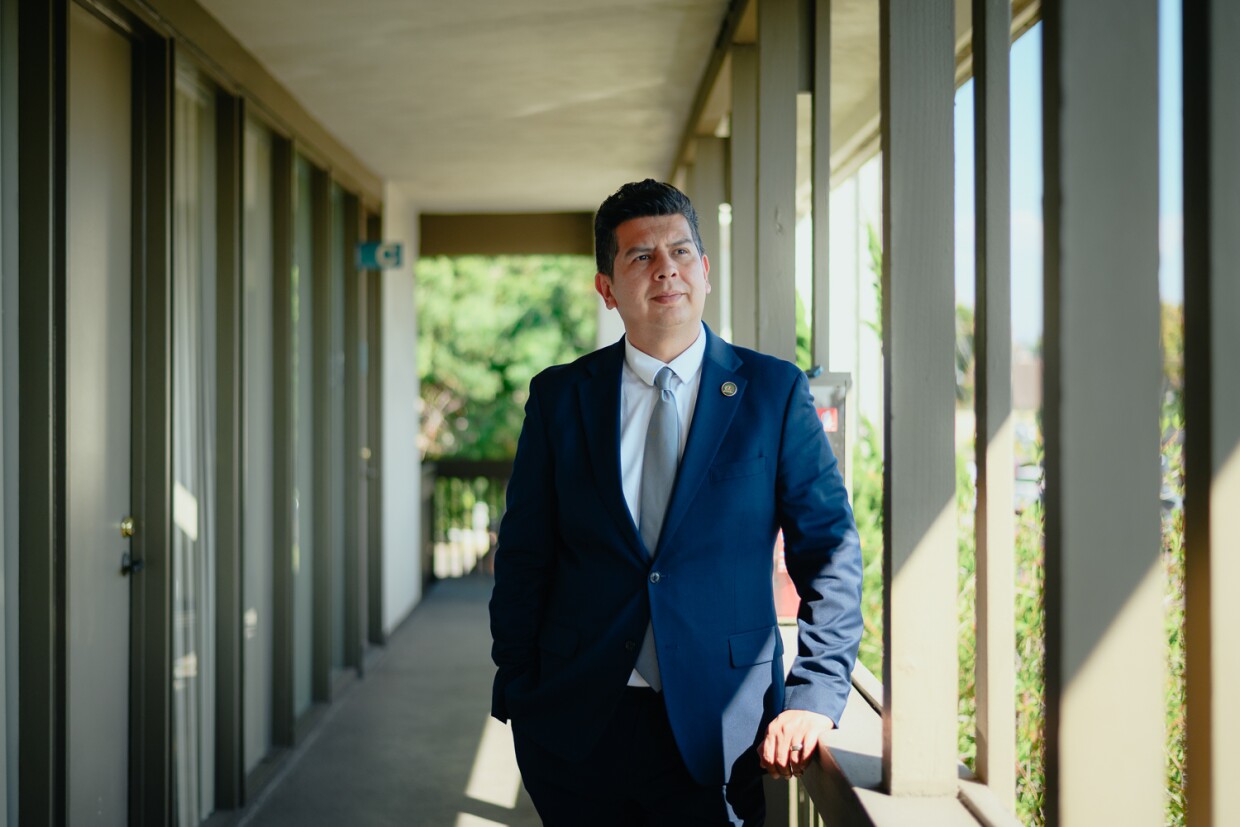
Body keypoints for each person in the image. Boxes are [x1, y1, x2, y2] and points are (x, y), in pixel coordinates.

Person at [489, 179, 863, 826]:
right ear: (607, 287)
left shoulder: (773, 394)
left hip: (724, 733)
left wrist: (816, 691)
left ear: (705, 271)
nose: (666, 269)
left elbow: (829, 550)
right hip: (578, 730)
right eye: (640, 256)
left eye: (682, 252)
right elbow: (524, 556)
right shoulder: (558, 400)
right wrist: (520, 688)